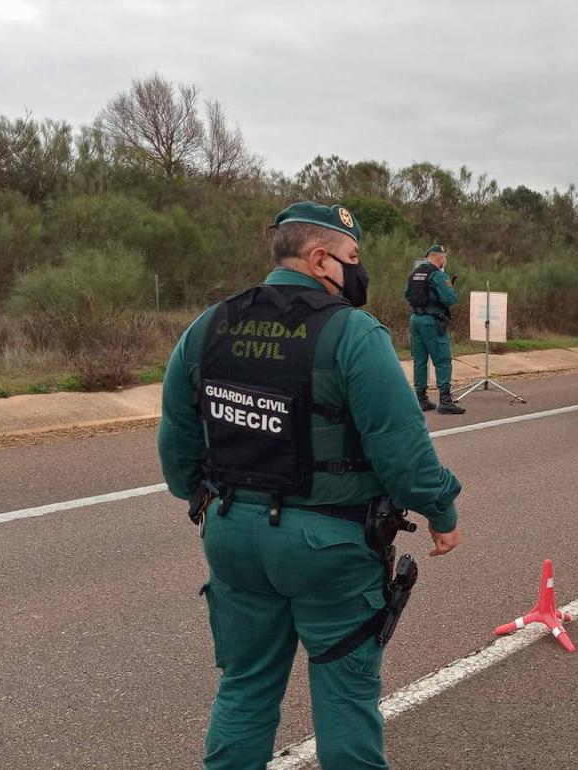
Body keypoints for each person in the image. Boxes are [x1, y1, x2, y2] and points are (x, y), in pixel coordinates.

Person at [157, 201, 463, 769]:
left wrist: (203, 497)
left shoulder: (209, 326)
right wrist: (441, 511)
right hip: (331, 546)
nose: (358, 270)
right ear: (320, 259)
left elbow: (177, 444)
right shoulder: (352, 332)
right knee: (346, 697)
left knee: (245, 687)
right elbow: (404, 454)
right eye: (352, 257)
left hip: (230, 536)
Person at [404, 244, 464, 414]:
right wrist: (450, 288)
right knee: (443, 360)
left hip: (415, 319)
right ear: (440, 257)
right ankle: (445, 401)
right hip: (433, 321)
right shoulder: (438, 275)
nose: (445, 259)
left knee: (420, 360)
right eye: (445, 256)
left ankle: (421, 399)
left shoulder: (415, 273)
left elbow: (407, 294)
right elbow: (450, 299)